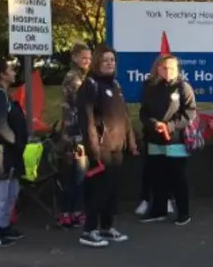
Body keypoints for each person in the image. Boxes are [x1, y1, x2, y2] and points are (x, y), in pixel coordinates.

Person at [77, 44, 138, 247]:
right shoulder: (90, 85)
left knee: (112, 190)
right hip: (101, 148)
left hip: (117, 146)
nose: (110, 63)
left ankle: (107, 227)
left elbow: (124, 116)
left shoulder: (116, 85)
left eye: (112, 60)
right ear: (97, 63)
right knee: (99, 190)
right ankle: (89, 230)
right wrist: (93, 149)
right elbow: (87, 121)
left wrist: (131, 141)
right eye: (106, 60)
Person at [138, 54, 196, 226]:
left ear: (177, 70)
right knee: (157, 177)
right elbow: (143, 112)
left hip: (176, 140)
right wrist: (153, 124)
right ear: (158, 69)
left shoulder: (183, 87)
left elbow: (190, 113)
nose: (168, 71)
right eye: (164, 68)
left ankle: (183, 213)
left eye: (172, 68)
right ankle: (158, 211)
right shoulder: (150, 86)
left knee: (178, 178)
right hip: (154, 139)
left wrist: (169, 126)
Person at [0, 58, 27, 247]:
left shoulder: (6, 94)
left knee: (11, 191)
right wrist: (15, 141)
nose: (14, 71)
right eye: (10, 69)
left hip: (10, 153)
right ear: (2, 74)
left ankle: (3, 226)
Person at [57, 42, 92, 228]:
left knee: (75, 174)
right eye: (83, 58)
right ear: (74, 58)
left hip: (75, 133)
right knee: (77, 174)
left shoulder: (82, 76)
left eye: (89, 58)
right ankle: (72, 211)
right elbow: (82, 104)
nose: (87, 61)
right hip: (74, 135)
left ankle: (72, 211)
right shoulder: (74, 78)